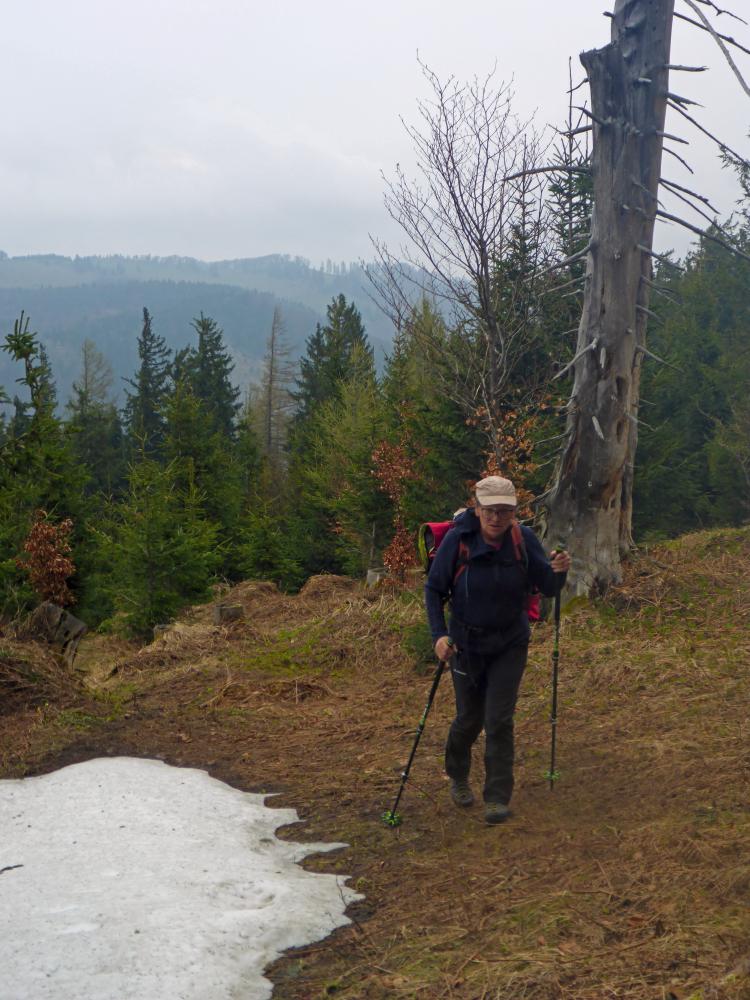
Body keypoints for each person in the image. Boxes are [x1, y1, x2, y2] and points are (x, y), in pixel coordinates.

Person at [424, 475, 570, 825]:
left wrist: (559, 572)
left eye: (504, 511)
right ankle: (458, 775)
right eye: (489, 510)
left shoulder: (524, 540)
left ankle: (497, 797)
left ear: (514, 513)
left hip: (509, 643)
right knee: (469, 719)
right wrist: (439, 635)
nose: (496, 518)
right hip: (465, 645)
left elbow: (547, 587)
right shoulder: (459, 540)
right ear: (476, 509)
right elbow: (433, 589)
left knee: (499, 720)